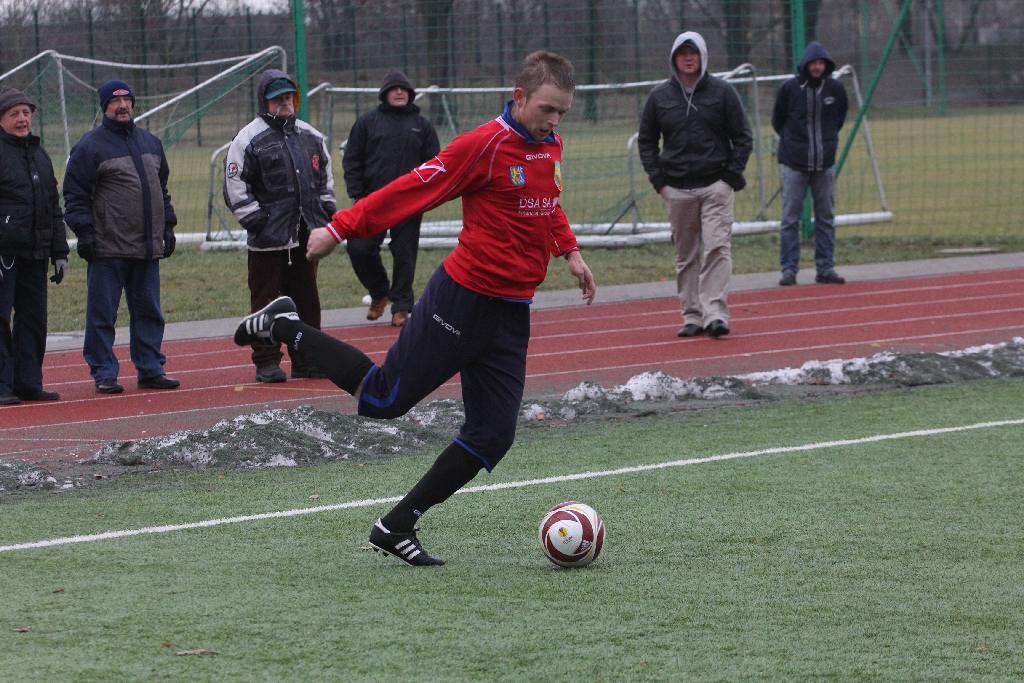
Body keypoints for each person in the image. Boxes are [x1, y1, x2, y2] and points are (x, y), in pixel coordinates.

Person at [233, 51, 596, 566]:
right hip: (463, 300)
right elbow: (412, 189)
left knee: (493, 434)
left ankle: (397, 523)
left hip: (511, 313)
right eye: (547, 109)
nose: (555, 121)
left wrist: (571, 252)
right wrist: (341, 228)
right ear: (519, 98)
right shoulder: (483, 146)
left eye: (563, 112)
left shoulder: (549, 144)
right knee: (384, 400)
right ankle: (286, 324)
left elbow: (546, 203)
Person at [63, 80, 179, 394]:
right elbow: (74, 196)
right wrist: (85, 233)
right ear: (104, 107)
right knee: (102, 314)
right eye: (115, 102)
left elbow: (162, 190)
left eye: (127, 100)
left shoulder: (151, 143)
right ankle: (104, 371)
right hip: (108, 247)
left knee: (149, 311)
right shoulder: (89, 147)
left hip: (146, 246)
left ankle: (151, 368)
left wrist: (168, 226)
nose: (122, 106)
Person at [638, 31, 752, 339]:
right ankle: (692, 315)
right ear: (674, 58)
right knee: (686, 255)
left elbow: (743, 137)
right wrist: (659, 181)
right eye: (682, 53)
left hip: (716, 185)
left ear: (702, 56)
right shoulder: (659, 97)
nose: (688, 58)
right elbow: (647, 141)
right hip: (676, 188)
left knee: (717, 246)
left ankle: (715, 313)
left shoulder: (723, 92)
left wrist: (729, 178)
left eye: (693, 52)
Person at [223, 69, 335, 383]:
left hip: (306, 235)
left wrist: (325, 213)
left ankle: (307, 358)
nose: (284, 103)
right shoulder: (248, 139)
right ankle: (267, 361)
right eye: (277, 98)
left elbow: (325, 179)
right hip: (267, 238)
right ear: (265, 102)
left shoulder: (312, 137)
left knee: (307, 299)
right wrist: (255, 220)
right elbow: (235, 184)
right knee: (266, 302)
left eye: (288, 97)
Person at [343, 70, 440, 327]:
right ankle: (379, 293)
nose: (399, 92)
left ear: (410, 94)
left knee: (404, 253)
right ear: (384, 94)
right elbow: (352, 159)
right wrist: (358, 194)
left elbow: (436, 164)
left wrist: (426, 196)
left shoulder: (423, 126)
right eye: (394, 88)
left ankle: (402, 306)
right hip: (371, 201)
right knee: (359, 248)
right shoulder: (367, 122)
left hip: (409, 202)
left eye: (404, 89)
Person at [0, 87, 69, 405]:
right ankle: (2, 384)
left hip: (36, 251)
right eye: (14, 113)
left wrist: (59, 252)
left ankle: (28, 382)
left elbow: (52, 206)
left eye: (26, 112)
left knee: (33, 318)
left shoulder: (39, 154)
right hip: (5, 252)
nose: (22, 118)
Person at [773, 41, 849, 287]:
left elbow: (839, 118)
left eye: (821, 63)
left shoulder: (836, 89)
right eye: (813, 63)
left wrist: (826, 144)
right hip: (794, 164)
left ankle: (825, 268)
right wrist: (795, 146)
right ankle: (789, 269)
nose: (817, 67)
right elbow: (778, 120)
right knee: (790, 219)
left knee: (826, 217)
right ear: (805, 65)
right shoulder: (789, 89)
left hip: (824, 164)